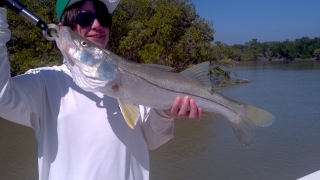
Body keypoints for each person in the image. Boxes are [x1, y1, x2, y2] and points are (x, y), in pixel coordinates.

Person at [0, 0, 203, 179]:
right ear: (63, 29)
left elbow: (151, 140)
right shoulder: (45, 81)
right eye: (86, 18)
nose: (97, 25)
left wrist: (165, 113)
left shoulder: (133, 80)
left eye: (104, 18)